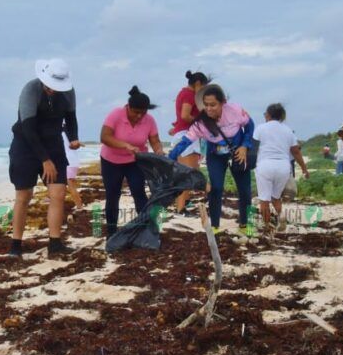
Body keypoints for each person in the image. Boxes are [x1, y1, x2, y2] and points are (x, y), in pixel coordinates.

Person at [8, 58, 81, 258]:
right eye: (50, 86)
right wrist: (45, 160)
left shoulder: (68, 92)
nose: (53, 90)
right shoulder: (30, 90)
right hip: (25, 144)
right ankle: (16, 244)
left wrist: (73, 138)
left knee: (58, 194)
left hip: (53, 144)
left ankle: (55, 243)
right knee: (24, 196)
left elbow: (71, 117)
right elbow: (28, 127)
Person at [168, 84, 254, 231]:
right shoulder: (201, 122)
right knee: (215, 189)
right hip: (215, 155)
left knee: (244, 190)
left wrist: (244, 146)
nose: (208, 109)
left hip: (238, 152)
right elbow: (185, 141)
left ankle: (245, 225)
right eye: (206, 105)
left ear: (222, 103)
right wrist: (170, 157)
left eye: (213, 105)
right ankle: (215, 227)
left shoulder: (234, 110)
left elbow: (250, 125)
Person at [100, 86, 164, 237]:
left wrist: (159, 151)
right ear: (128, 107)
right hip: (111, 161)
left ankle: (145, 229)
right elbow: (104, 137)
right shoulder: (116, 115)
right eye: (136, 112)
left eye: (143, 112)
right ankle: (111, 231)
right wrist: (125, 145)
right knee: (113, 195)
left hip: (136, 161)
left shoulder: (149, 120)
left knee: (139, 192)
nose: (139, 116)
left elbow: (154, 141)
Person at [253, 103, 309, 232]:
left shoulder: (261, 128)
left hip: (265, 166)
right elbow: (295, 151)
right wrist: (304, 169)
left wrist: (248, 164)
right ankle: (281, 216)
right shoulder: (287, 130)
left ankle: (267, 226)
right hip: (284, 167)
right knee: (276, 197)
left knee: (264, 199)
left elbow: (253, 148)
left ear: (268, 114)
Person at [169, 70, 208, 215]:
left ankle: (182, 204)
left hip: (184, 135)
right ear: (198, 84)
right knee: (188, 174)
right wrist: (202, 123)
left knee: (188, 173)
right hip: (188, 136)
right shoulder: (190, 95)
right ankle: (180, 208)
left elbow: (181, 116)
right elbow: (185, 115)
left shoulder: (183, 93)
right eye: (203, 87)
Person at [62, 131, 85, 214]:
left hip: (68, 162)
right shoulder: (70, 135)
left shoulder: (61, 134)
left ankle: (79, 206)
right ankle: (79, 203)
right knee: (71, 184)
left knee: (71, 185)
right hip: (74, 161)